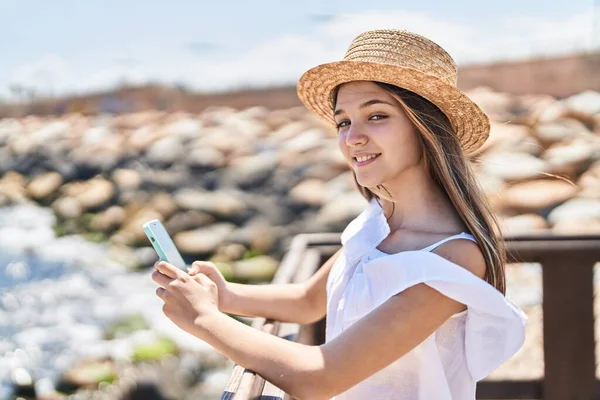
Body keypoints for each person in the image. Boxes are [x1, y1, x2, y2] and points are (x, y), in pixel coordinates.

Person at [151, 29, 527, 400]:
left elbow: (321, 377)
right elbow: (307, 301)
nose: (352, 138)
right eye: (343, 122)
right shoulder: (376, 222)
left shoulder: (452, 258)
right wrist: (227, 295)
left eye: (376, 116)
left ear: (426, 128)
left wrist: (205, 320)